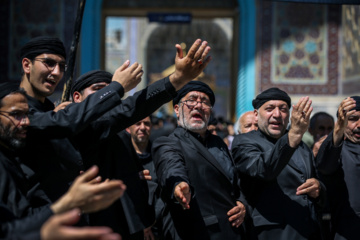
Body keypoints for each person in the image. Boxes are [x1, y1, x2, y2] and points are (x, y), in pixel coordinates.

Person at [69, 38, 212, 239]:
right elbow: (132, 108)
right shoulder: (73, 126)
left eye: (109, 91)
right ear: (77, 98)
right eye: (97, 90)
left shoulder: (120, 136)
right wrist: (176, 79)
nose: (105, 96)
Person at [18, 36, 144, 202]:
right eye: (49, 63)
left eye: (62, 67)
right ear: (27, 65)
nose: (56, 72)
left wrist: (175, 80)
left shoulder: (53, 112)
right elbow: (61, 123)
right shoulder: (12, 109)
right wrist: (116, 88)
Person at [0, 83, 126, 239]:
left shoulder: (11, 156)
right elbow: (17, 224)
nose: (25, 122)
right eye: (15, 114)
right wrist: (70, 202)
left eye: (26, 114)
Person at [152, 81, 246, 240]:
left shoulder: (218, 143)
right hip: (199, 231)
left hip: (232, 231)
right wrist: (178, 184)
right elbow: (171, 166)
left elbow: (234, 180)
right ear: (177, 109)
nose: (198, 105)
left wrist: (242, 202)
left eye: (205, 102)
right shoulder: (169, 142)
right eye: (191, 100)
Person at [232, 87, 325, 240]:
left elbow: (317, 180)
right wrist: (293, 136)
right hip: (272, 232)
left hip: (307, 230)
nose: (277, 115)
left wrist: (319, 188)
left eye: (283, 109)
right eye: (269, 109)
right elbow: (263, 169)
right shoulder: (245, 142)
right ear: (256, 114)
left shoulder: (301, 146)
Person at [316, 96, 359, 240]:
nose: (359, 125)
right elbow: (326, 165)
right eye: (353, 119)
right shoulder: (336, 150)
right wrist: (337, 134)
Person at [126, 116, 164, 240]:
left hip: (158, 229)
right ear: (128, 128)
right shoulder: (123, 158)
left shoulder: (160, 156)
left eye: (146, 124)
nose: (142, 127)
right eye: (138, 123)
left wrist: (149, 223)